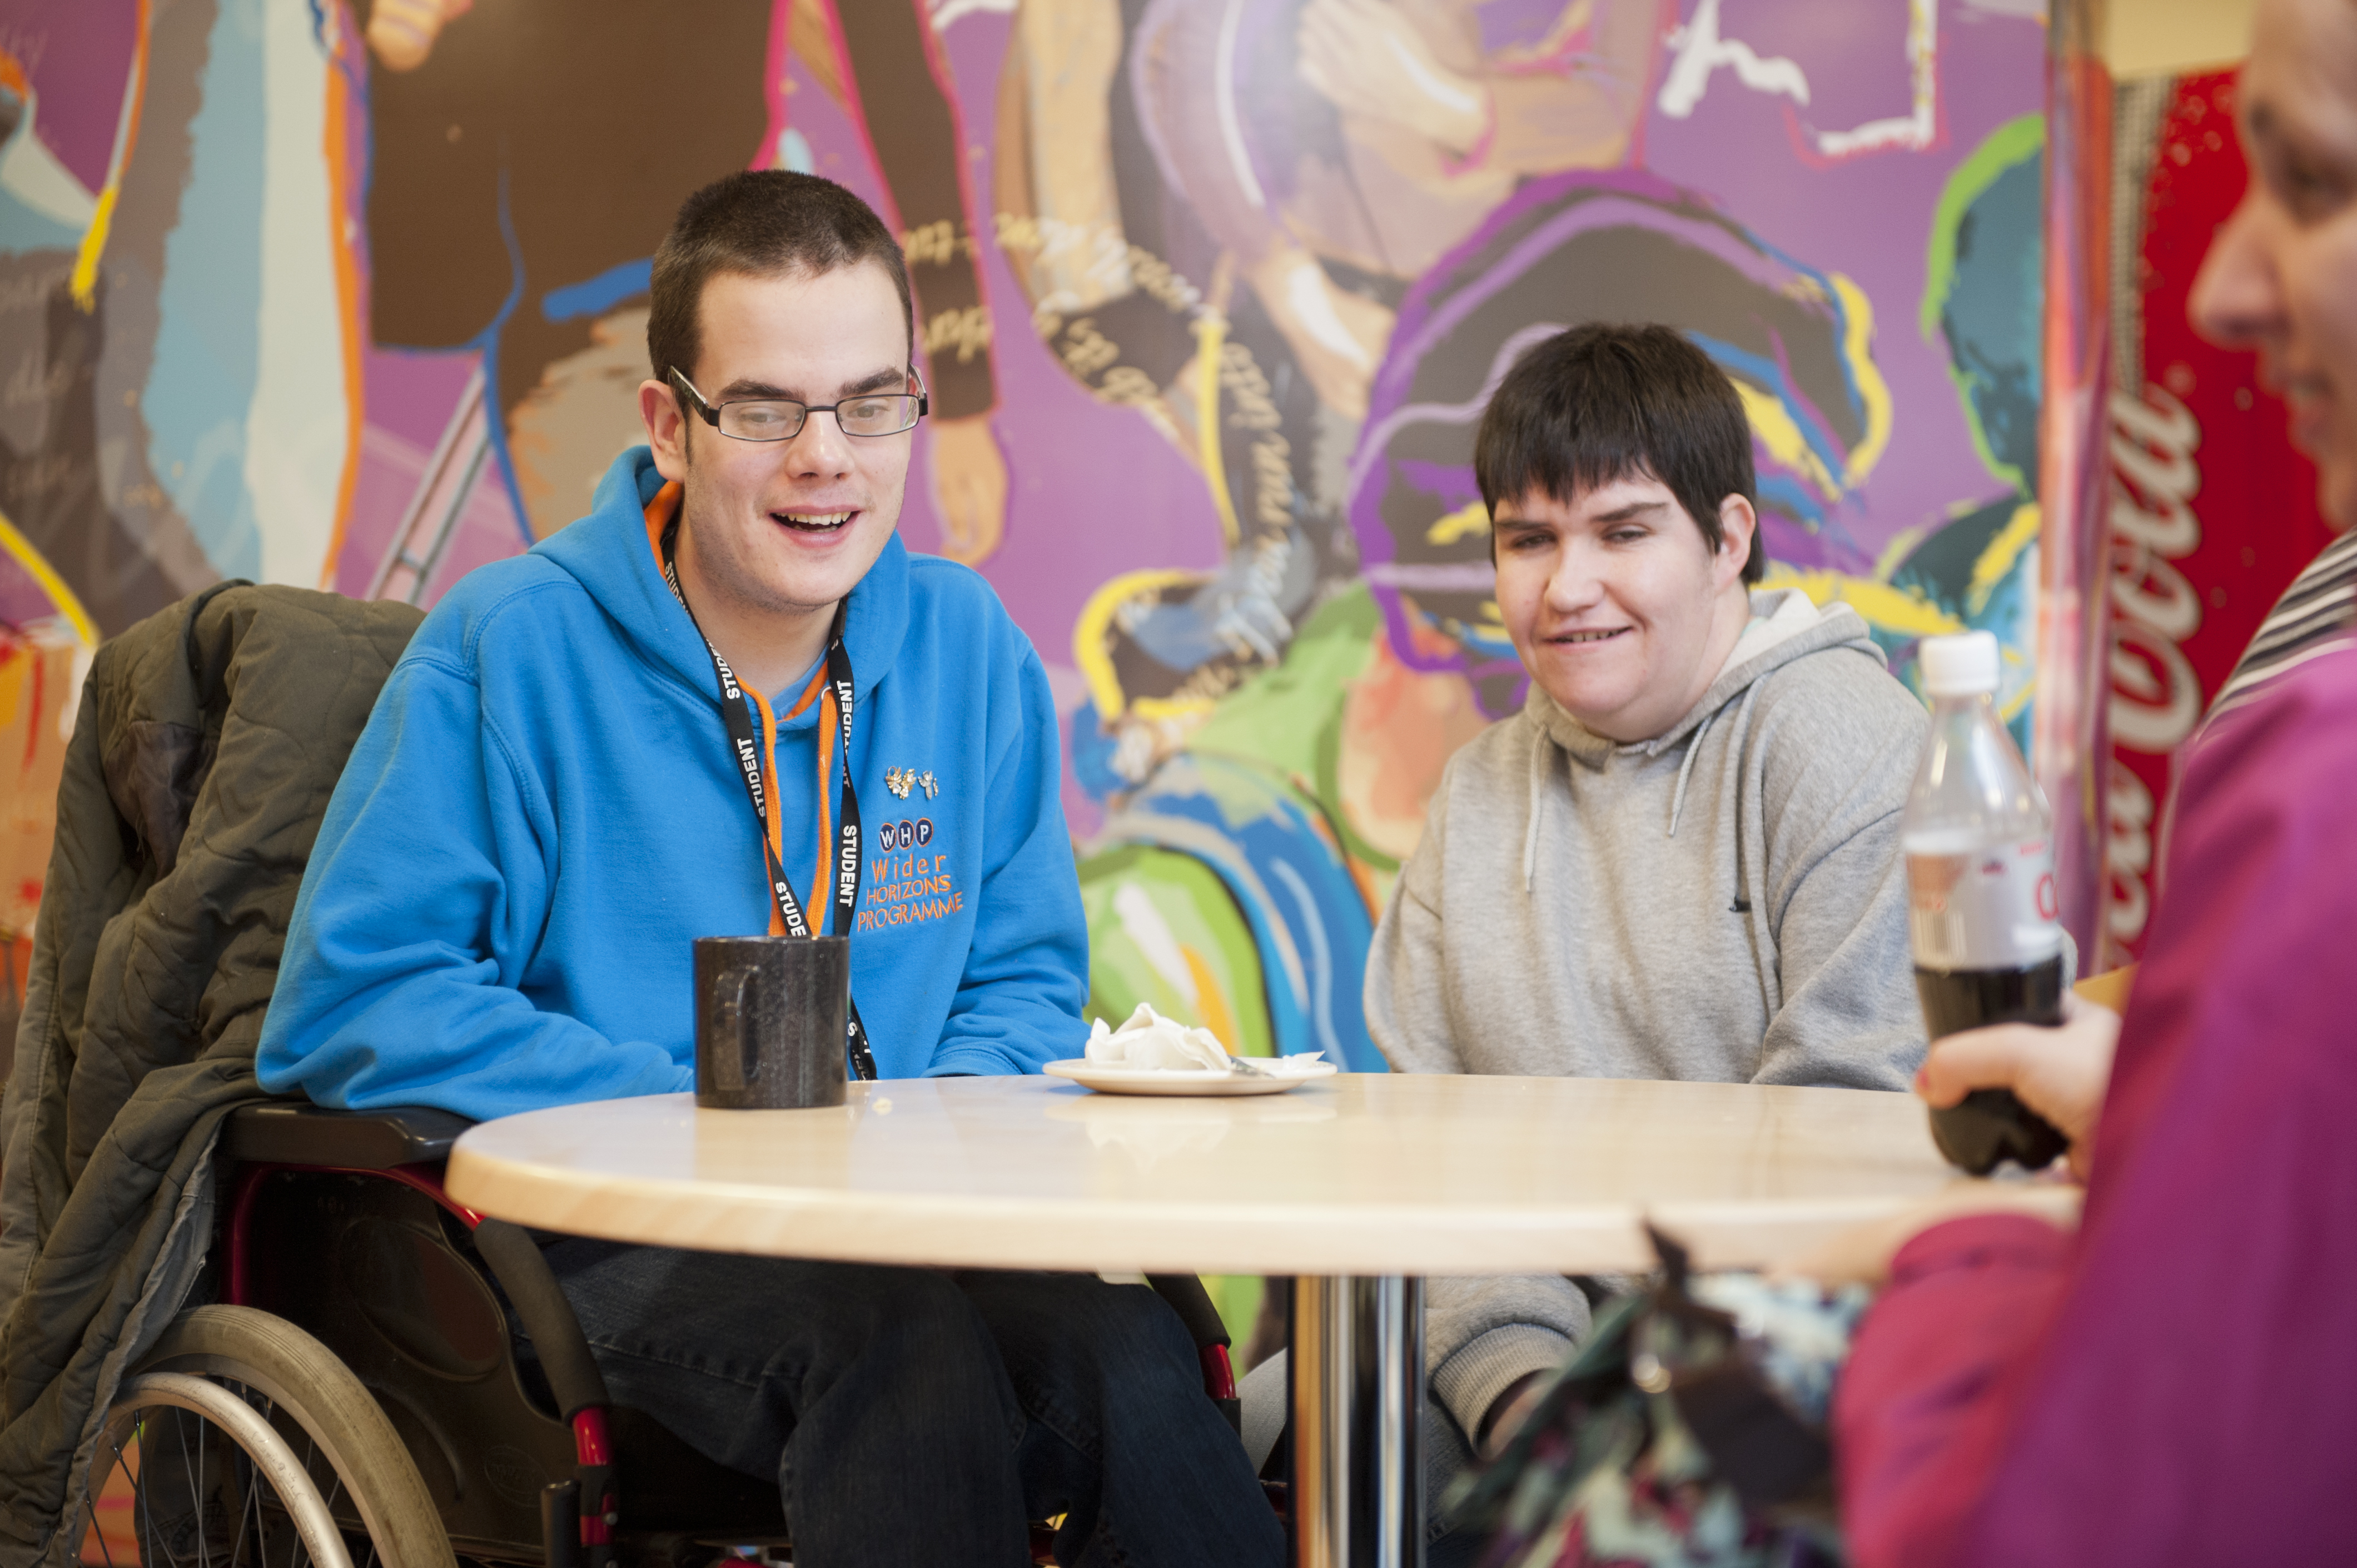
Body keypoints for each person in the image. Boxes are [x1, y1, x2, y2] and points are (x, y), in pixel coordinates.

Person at [258, 170, 1282, 1568]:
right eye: (764, 409)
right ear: (669, 426)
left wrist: (903, 1136)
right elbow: (355, 1003)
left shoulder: (966, 647)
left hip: (901, 1231)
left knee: (1129, 1341)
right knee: (891, 1344)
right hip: (596, 1252)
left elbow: (1025, 983)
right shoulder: (511, 648)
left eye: (871, 403)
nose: (828, 458)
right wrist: (694, 1111)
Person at [1814, 1, 2357, 1560]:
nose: (2220, 284)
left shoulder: (2322, 778)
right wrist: (2170, 1105)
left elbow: (2068, 1517)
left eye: (2312, 181)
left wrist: (1971, 1256)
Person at [1358, 322, 1931, 1554]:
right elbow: (1424, 1145)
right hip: (1510, 1366)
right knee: (1225, 1440)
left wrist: (1624, 1420)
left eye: (1621, 532)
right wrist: (1522, 1392)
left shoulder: (1848, 747)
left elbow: (1845, 1140)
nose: (1567, 587)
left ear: (1726, 539)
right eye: (1528, 541)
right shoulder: (1475, 795)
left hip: (1769, 1378)